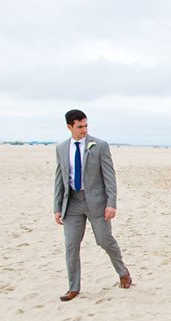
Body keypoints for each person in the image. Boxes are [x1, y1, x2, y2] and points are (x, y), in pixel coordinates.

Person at [53, 109, 131, 302]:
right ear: (69, 127)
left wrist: (111, 203)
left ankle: (123, 271)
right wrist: (56, 207)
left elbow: (109, 177)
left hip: (97, 202)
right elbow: (59, 179)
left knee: (104, 240)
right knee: (71, 245)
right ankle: (73, 287)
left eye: (86, 125)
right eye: (80, 127)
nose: (84, 130)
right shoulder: (61, 148)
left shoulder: (100, 146)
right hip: (71, 204)